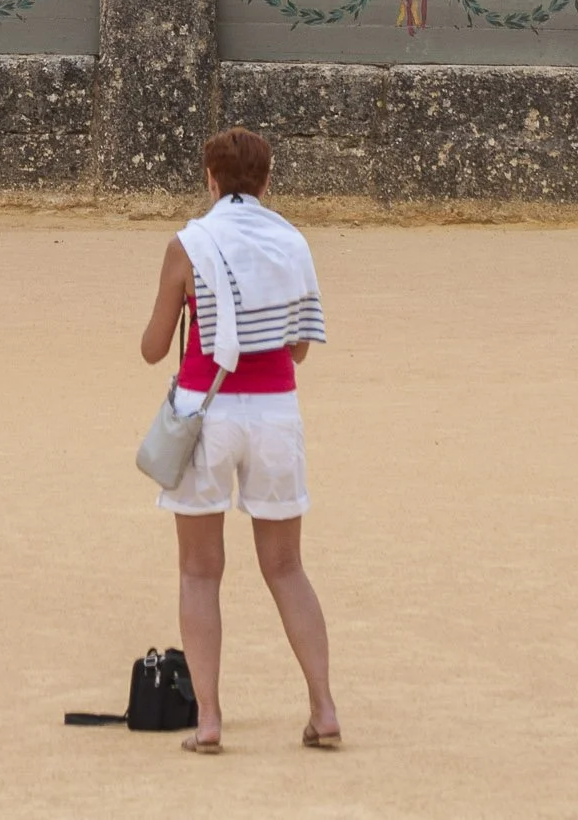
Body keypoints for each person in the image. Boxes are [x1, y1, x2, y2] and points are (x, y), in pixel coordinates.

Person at [139, 126, 340, 753]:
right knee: (286, 568)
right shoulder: (292, 241)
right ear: (266, 181)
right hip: (276, 413)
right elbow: (300, 348)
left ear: (210, 179)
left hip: (207, 411)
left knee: (200, 572)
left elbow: (151, 349)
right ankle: (324, 707)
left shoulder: (188, 245)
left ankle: (209, 720)